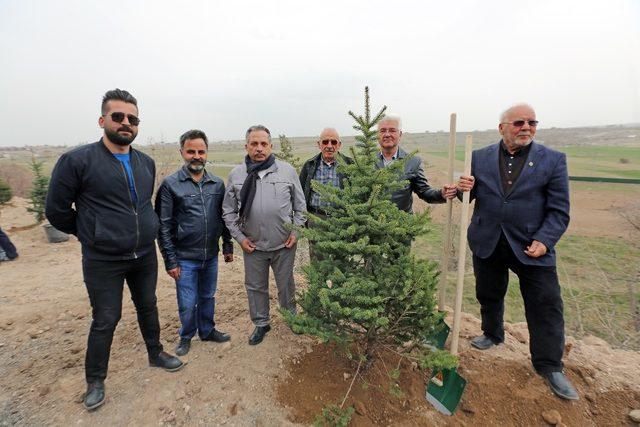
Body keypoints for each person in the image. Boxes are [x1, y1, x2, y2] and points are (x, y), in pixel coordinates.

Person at [45, 89, 183, 411]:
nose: (126, 123)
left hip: (144, 254)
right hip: (103, 259)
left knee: (148, 306)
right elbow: (56, 211)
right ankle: (95, 380)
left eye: (132, 119)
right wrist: (92, 232)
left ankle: (155, 353)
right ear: (102, 119)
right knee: (106, 318)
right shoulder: (77, 161)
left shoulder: (145, 162)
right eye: (118, 116)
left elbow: (141, 205)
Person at [457, 103, 577, 400]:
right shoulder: (479, 157)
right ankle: (492, 333)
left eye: (532, 122)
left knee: (545, 304)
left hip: (531, 245)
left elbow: (559, 211)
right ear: (502, 128)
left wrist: (545, 240)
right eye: (519, 123)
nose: (526, 127)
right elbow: (466, 198)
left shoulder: (553, 160)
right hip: (488, 238)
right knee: (489, 291)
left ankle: (549, 365)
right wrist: (462, 188)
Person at [222, 125, 306, 345]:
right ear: (247, 146)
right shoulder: (236, 174)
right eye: (254, 144)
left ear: (271, 145)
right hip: (253, 246)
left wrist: (296, 231)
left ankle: (291, 317)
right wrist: (240, 238)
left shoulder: (287, 171)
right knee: (255, 286)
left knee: (286, 284)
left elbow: (300, 206)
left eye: (263, 144)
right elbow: (228, 210)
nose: (259, 148)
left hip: (284, 244)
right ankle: (261, 323)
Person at [155, 129, 234, 357]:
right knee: (188, 302)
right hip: (184, 257)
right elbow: (164, 227)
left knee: (208, 296)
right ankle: (186, 335)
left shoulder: (217, 184)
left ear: (206, 153)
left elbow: (224, 218)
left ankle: (207, 330)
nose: (196, 156)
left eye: (201, 151)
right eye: (191, 151)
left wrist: (227, 246)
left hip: (210, 256)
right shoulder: (170, 185)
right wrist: (171, 261)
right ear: (182, 152)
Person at [376, 114, 457, 212]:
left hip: (401, 225)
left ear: (400, 134)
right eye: (383, 130)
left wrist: (441, 194)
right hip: (370, 225)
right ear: (378, 135)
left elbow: (424, 191)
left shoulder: (413, 162)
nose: (387, 134)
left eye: (392, 130)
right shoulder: (365, 162)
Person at [299, 127, 353, 259]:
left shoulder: (349, 165)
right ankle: (319, 281)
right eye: (325, 142)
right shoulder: (309, 165)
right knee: (318, 262)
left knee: (341, 262)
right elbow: (300, 193)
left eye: (333, 142)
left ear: (339, 145)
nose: (329, 146)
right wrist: (305, 219)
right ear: (319, 144)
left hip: (342, 220)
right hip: (316, 218)